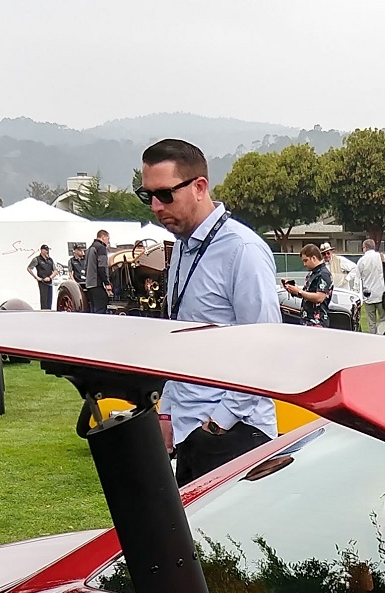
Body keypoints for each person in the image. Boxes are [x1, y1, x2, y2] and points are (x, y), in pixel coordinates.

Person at [139, 136, 282, 483]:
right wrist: (168, 412)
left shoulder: (242, 249)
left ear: (200, 186)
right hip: (192, 433)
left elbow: (267, 347)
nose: (156, 207)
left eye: (165, 194)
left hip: (235, 434)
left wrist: (219, 422)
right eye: (148, 196)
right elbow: (182, 336)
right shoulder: (184, 247)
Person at [287, 243, 333, 326]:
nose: (304, 264)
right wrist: (293, 290)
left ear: (314, 258)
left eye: (305, 260)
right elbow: (306, 294)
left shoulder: (323, 274)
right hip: (306, 320)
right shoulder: (311, 274)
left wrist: (299, 291)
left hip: (317, 322)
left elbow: (320, 297)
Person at [83, 229, 111, 312]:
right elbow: (102, 267)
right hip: (96, 283)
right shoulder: (101, 248)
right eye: (108, 239)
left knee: (93, 308)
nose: (108, 241)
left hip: (89, 283)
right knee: (101, 306)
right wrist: (107, 283)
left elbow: (85, 266)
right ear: (103, 237)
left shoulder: (89, 249)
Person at [28, 244, 56, 310]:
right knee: (44, 300)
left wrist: (50, 277)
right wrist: (36, 277)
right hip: (42, 281)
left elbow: (55, 271)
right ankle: (44, 313)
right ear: (42, 250)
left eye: (48, 250)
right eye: (46, 250)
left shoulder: (50, 259)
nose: (47, 251)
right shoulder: (37, 259)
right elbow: (29, 268)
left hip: (49, 281)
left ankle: (49, 312)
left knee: (49, 299)